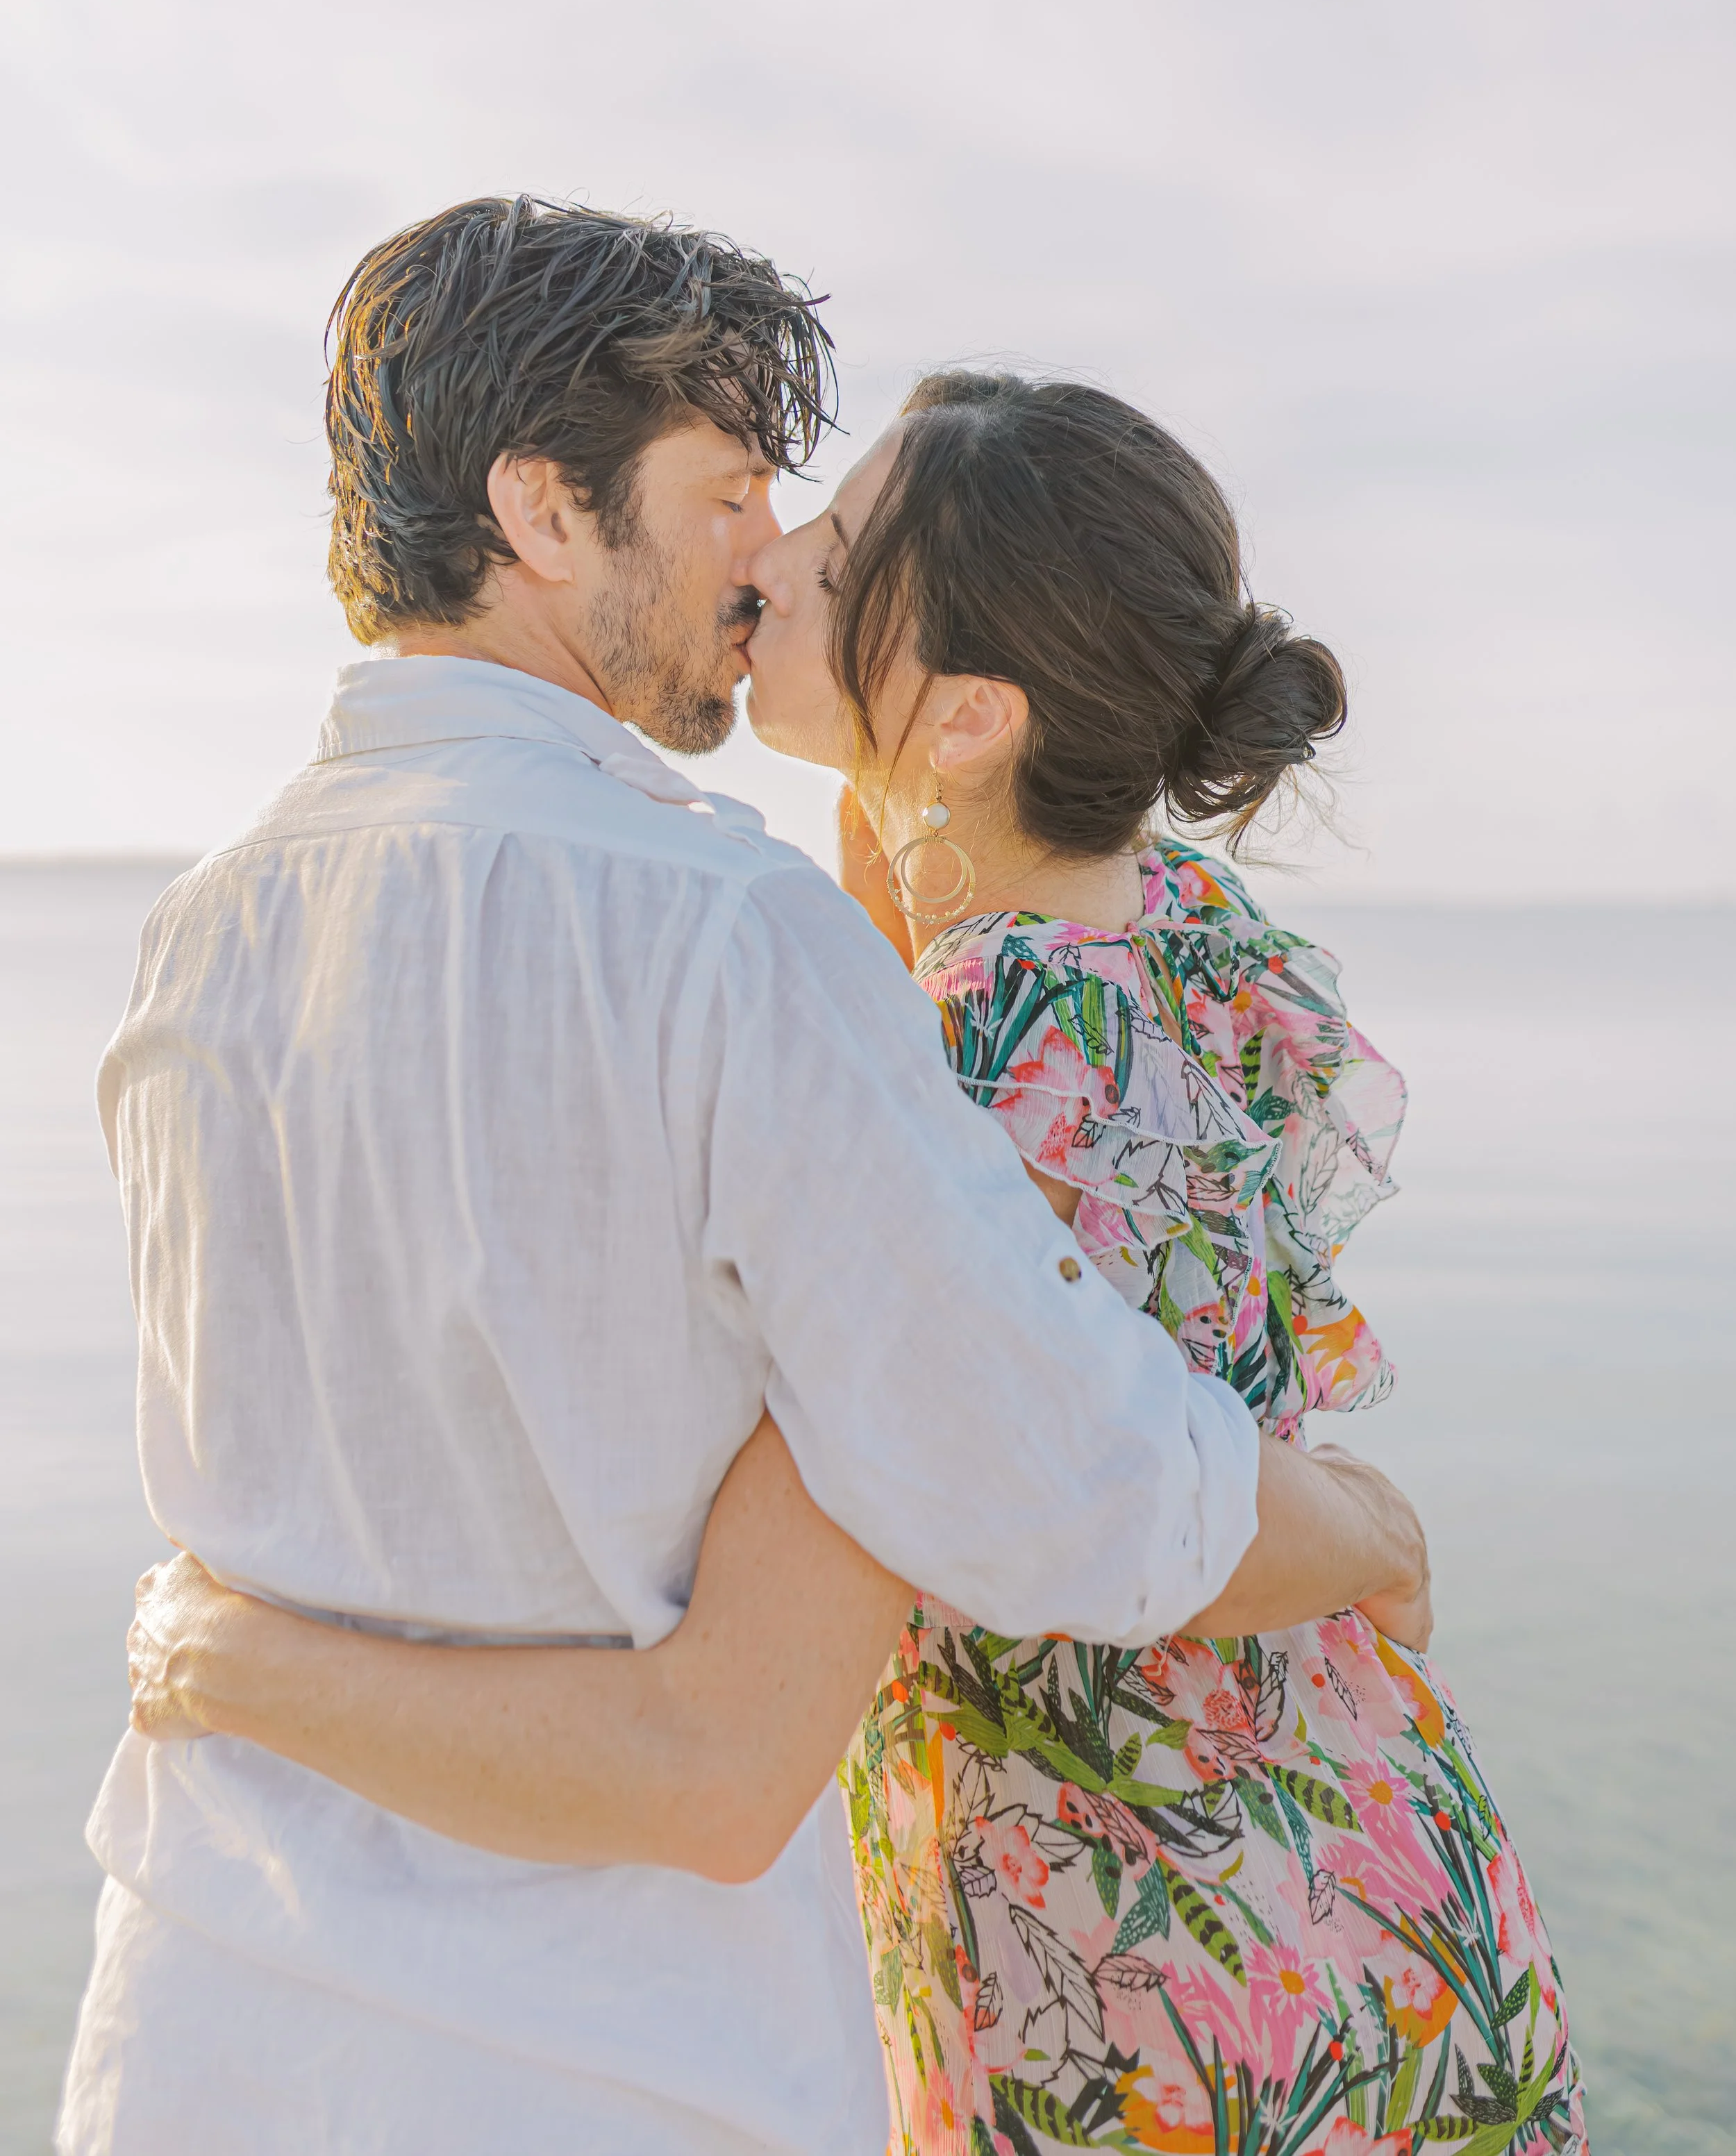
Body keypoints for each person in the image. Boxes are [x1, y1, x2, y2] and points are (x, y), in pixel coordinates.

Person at [65, 201, 1430, 2156]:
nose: (762, 554)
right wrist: (1365, 1522)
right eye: (724, 494)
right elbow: (1081, 1485)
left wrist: (218, 1655)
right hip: (594, 2076)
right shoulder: (722, 934)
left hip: (194, 2038)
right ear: (542, 511)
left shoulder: (193, 944)